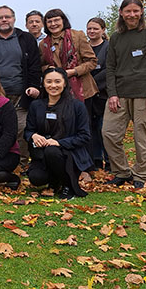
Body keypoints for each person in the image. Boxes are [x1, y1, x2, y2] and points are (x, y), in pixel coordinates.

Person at [103, 0, 146, 189]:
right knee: (109, 133)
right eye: (128, 11)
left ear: (141, 12)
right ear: (121, 13)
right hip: (119, 94)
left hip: (144, 94)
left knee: (142, 137)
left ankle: (141, 174)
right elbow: (110, 67)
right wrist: (112, 94)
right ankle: (121, 172)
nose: (132, 15)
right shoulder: (116, 37)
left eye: (136, 11)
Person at [0, 5, 41, 170]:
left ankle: (22, 164)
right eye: (0, 18)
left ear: (14, 19)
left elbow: (34, 66)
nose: (4, 20)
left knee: (21, 129)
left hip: (20, 95)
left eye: (7, 17)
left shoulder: (26, 39)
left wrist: (33, 86)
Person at [25, 68, 93, 199]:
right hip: (42, 154)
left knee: (52, 151)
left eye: (57, 81)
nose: (53, 85)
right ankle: (54, 183)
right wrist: (34, 135)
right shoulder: (36, 105)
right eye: (49, 82)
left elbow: (85, 136)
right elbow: (28, 131)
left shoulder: (77, 106)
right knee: (36, 178)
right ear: (43, 84)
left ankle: (68, 185)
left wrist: (58, 143)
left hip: (69, 154)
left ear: (65, 83)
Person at [39, 8, 98, 102]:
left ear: (63, 20)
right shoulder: (43, 44)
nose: (53, 24)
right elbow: (40, 65)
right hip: (57, 92)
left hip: (83, 90)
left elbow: (92, 62)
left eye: (56, 20)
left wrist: (74, 71)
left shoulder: (77, 36)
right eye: (49, 22)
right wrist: (48, 68)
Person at [85, 17, 110, 171]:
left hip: (104, 94)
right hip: (87, 97)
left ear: (103, 30)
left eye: (95, 28)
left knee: (104, 130)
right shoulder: (85, 47)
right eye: (89, 29)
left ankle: (109, 161)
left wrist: (92, 82)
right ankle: (95, 159)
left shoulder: (108, 47)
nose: (92, 31)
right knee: (91, 129)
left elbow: (109, 69)